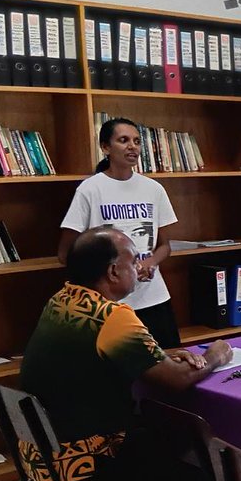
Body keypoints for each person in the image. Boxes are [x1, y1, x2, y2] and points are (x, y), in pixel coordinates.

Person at [20, 228, 233, 481]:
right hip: (81, 460)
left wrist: (163, 356)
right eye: (134, 259)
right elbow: (178, 381)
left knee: (161, 436)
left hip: (39, 453)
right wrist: (215, 356)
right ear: (113, 272)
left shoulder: (62, 299)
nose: (141, 266)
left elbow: (112, 353)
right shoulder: (114, 317)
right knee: (192, 457)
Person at [58, 118, 181, 347]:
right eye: (123, 140)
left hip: (153, 297)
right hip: (109, 302)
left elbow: (165, 245)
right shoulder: (90, 189)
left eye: (136, 141)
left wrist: (150, 262)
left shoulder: (153, 189)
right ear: (106, 148)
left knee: (168, 362)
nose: (132, 146)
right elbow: (66, 253)